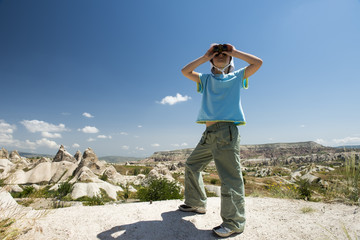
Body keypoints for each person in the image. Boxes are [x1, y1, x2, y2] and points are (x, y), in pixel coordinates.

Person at [178, 43, 262, 237]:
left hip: (226, 132)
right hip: (209, 134)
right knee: (192, 165)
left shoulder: (236, 77)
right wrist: (206, 55)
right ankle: (196, 203)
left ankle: (234, 223)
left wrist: (235, 52)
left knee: (230, 179)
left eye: (225, 55)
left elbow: (258, 63)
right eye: (218, 54)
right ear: (211, 60)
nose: (221, 56)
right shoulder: (206, 79)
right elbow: (185, 71)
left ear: (230, 60)